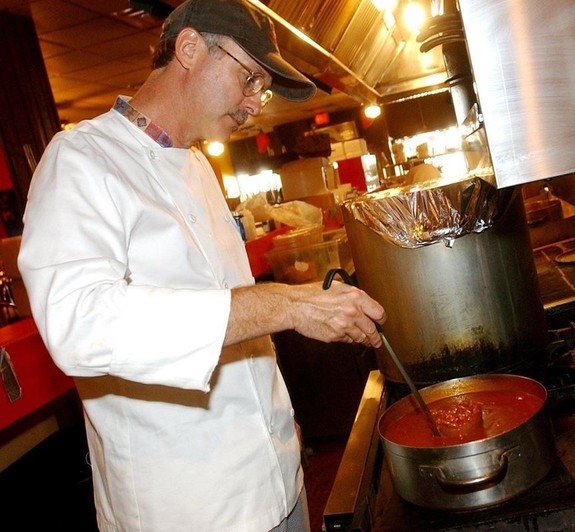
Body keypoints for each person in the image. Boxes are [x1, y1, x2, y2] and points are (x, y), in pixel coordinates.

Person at [17, 0, 386, 531]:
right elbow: (78, 322)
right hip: (189, 507)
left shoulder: (197, 166)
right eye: (251, 79)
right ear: (189, 48)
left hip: (277, 476)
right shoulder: (79, 159)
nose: (256, 103)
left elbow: (236, 318)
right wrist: (282, 302)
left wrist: (279, 421)